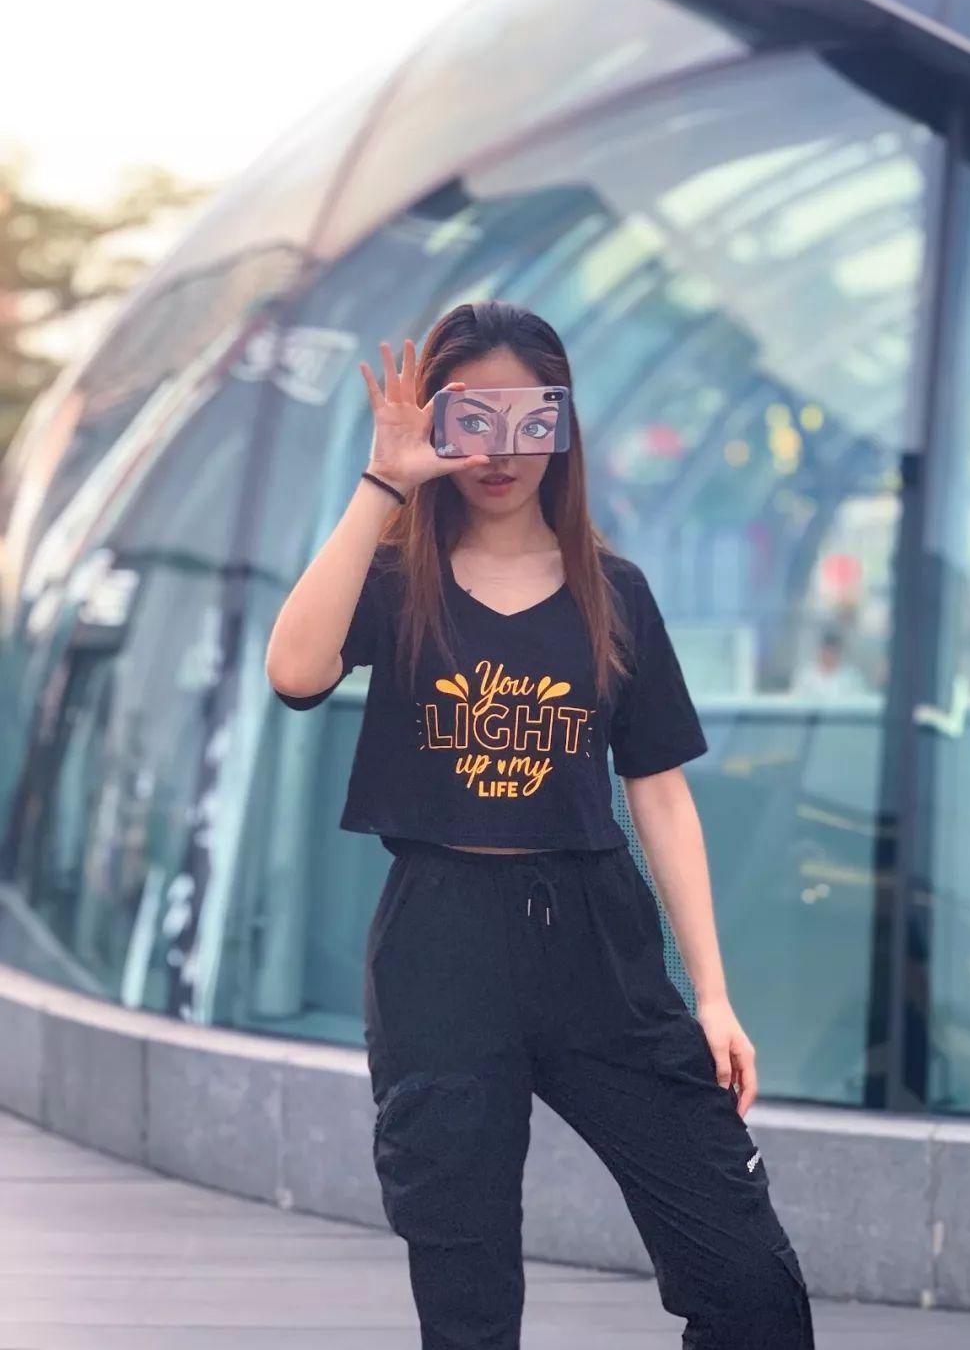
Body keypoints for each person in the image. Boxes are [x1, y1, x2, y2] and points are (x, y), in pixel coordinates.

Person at [266, 302, 814, 1349]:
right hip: (439, 945)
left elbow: (658, 790)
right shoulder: (398, 581)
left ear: (564, 425)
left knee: (749, 1281)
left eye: (531, 418)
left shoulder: (615, 594)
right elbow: (294, 669)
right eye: (472, 418)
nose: (502, 449)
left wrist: (712, 993)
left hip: (596, 940)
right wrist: (384, 481)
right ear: (435, 421)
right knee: (467, 1299)